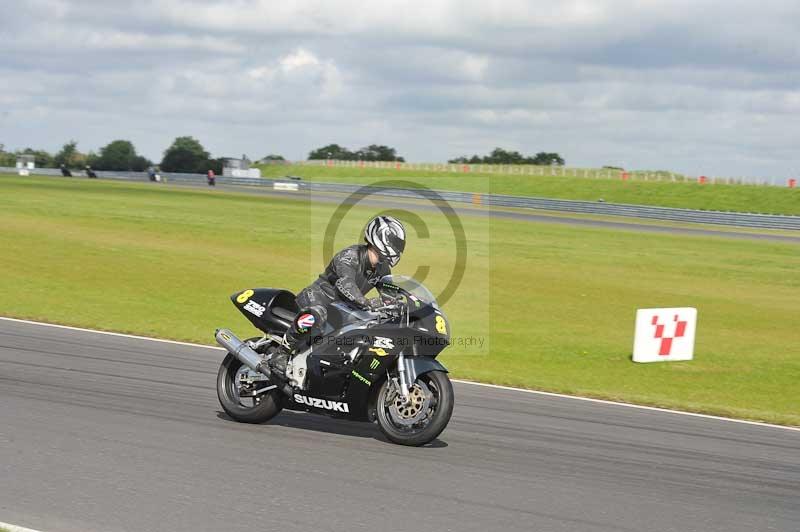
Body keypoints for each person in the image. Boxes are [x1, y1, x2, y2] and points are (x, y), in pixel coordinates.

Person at [269, 215, 406, 380]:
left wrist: (403, 304)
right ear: (381, 237)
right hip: (319, 298)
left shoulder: (382, 269)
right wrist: (367, 303)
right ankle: (281, 353)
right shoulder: (350, 256)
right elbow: (345, 283)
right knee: (317, 314)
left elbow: (389, 293)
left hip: (343, 309)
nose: (398, 248)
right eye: (396, 243)